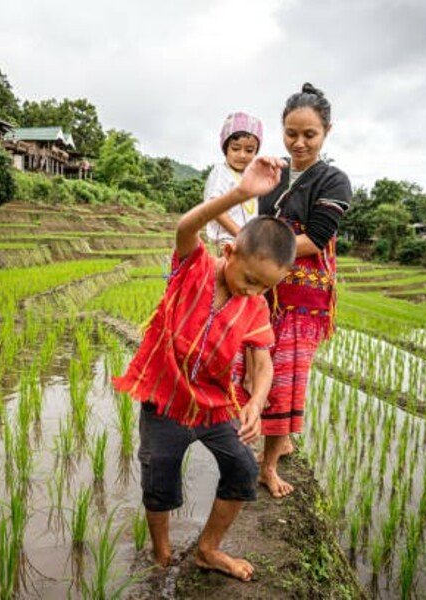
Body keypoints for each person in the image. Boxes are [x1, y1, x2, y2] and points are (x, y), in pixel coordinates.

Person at [113, 156, 296, 581]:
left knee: (244, 469)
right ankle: (161, 551)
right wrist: (241, 194)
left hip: (214, 405)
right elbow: (185, 227)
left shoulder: (254, 308)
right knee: (159, 478)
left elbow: (264, 364)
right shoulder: (192, 269)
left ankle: (207, 550)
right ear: (229, 252)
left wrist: (256, 400)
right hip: (166, 401)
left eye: (266, 287)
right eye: (250, 279)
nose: (254, 291)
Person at [256, 83, 352, 499]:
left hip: (302, 297)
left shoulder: (334, 180)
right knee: (255, 367)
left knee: (285, 380)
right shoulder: (272, 172)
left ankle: (268, 466)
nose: (299, 143)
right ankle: (272, 439)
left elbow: (314, 238)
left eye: (309, 135)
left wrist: (258, 252)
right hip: (265, 286)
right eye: (291, 133)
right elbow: (259, 218)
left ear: (327, 131)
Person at [202, 112, 264, 256]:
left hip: (245, 243)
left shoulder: (250, 178)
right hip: (226, 244)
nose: (242, 155)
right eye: (235, 148)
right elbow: (215, 208)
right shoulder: (221, 172)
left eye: (249, 150)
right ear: (225, 148)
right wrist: (241, 234)